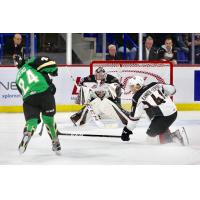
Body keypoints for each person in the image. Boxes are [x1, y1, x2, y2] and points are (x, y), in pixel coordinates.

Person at [120, 76, 188, 145]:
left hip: (165, 117)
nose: (131, 89)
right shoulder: (154, 84)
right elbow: (172, 89)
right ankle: (165, 131)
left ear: (138, 85)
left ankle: (174, 137)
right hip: (174, 112)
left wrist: (127, 130)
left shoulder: (137, 98)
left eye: (132, 86)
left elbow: (135, 117)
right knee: (149, 110)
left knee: (151, 134)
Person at [15, 55, 61, 154]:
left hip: (28, 99)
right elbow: (47, 61)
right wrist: (54, 70)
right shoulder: (30, 63)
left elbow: (22, 92)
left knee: (31, 121)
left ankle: (28, 132)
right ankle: (55, 141)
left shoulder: (17, 77)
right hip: (44, 93)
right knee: (49, 121)